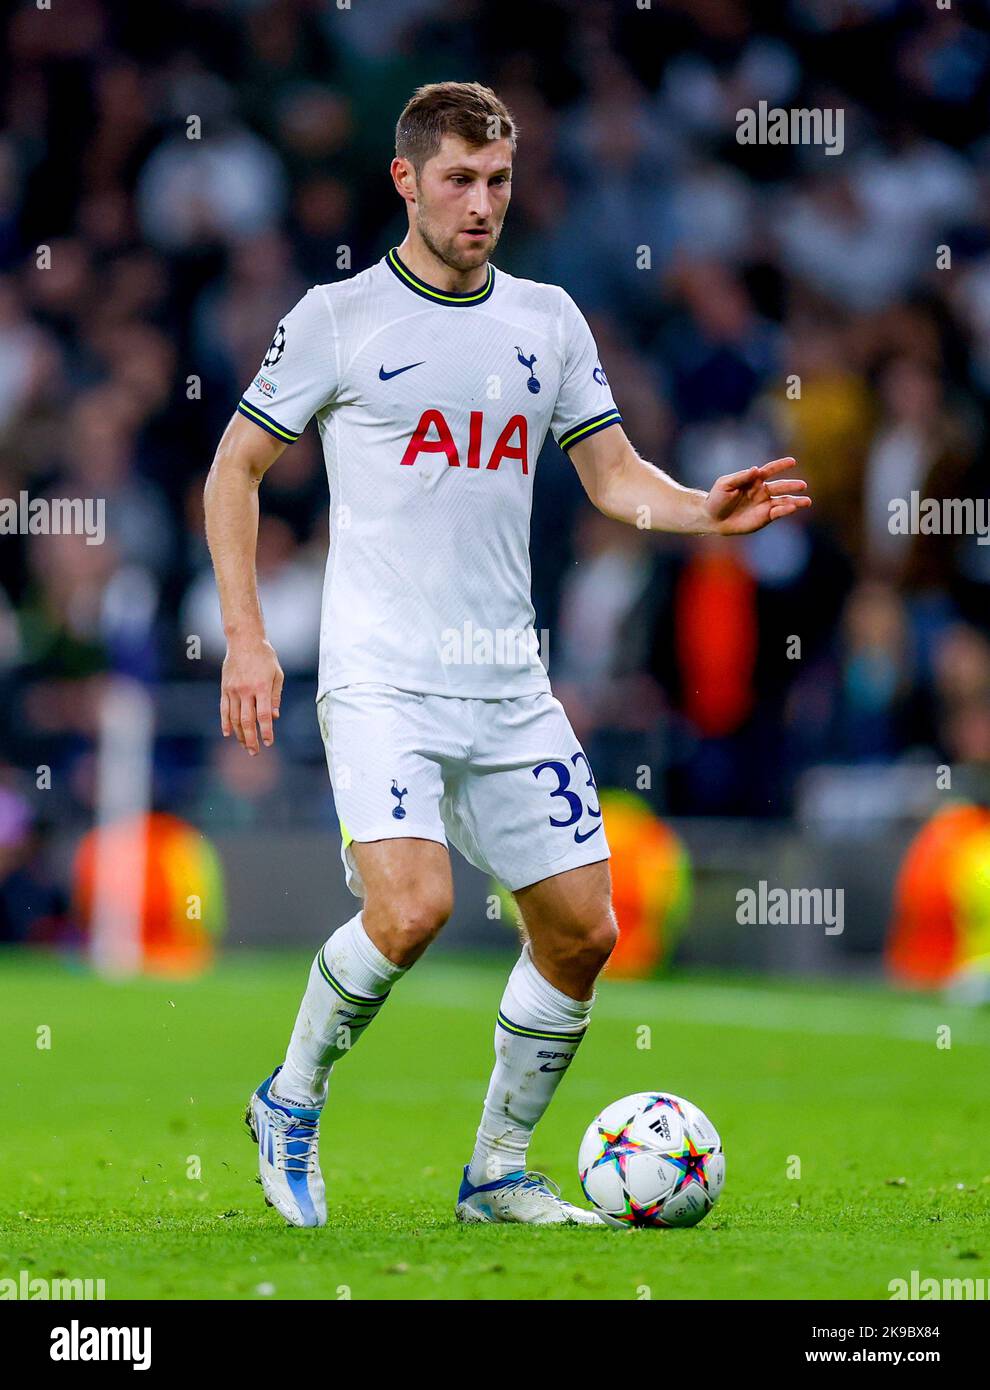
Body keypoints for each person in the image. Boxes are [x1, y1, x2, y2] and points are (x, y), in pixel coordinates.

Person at [203, 81, 810, 1228]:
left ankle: (496, 1170)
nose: (482, 205)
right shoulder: (338, 317)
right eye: (458, 181)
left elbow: (614, 475)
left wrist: (701, 512)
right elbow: (233, 467)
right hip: (381, 675)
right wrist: (246, 636)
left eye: (498, 182)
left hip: (509, 685)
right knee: (413, 908)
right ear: (406, 182)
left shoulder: (549, 320)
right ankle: (288, 1099)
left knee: (585, 932)